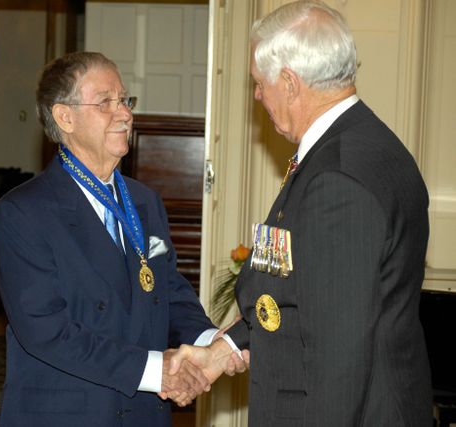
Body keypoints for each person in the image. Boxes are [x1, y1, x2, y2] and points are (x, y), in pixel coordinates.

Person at [169, 1, 433, 426]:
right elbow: (299, 297)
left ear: (289, 83)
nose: (256, 95)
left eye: (260, 83)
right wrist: (224, 350)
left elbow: (338, 357)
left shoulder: (339, 178)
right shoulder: (363, 143)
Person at [0, 51, 242, 427]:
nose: (124, 113)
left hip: (143, 413)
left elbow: (168, 291)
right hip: (67, 414)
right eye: (105, 102)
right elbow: (48, 332)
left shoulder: (145, 201)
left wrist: (209, 342)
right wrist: (160, 370)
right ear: (65, 117)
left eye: (124, 100)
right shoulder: (22, 213)